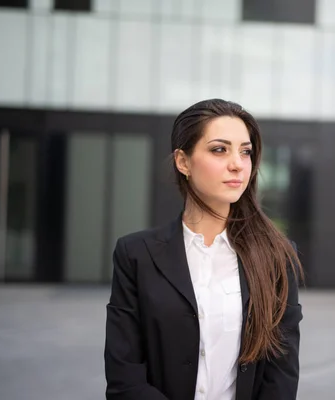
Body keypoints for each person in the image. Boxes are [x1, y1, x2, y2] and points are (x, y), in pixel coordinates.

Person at [104, 99, 304, 400]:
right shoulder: (136, 254)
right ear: (183, 161)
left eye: (245, 151)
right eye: (219, 149)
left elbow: (281, 377)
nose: (237, 163)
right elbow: (124, 378)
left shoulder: (276, 256)